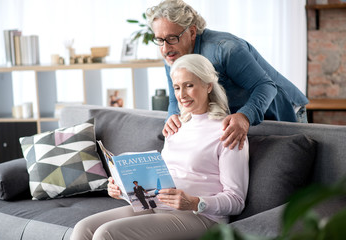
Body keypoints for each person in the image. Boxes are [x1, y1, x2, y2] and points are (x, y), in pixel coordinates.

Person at [70, 54, 249, 240]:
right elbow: (154, 187)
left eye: (189, 85)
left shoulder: (228, 131)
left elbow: (236, 201)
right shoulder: (176, 126)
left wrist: (195, 202)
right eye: (177, 87)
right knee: (84, 228)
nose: (182, 95)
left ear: (208, 85)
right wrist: (122, 191)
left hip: (202, 217)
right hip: (158, 208)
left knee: (106, 234)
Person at [146, 0, 309, 150]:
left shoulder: (226, 49)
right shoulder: (173, 55)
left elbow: (265, 86)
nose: (165, 49)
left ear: (192, 32)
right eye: (159, 40)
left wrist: (245, 116)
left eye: (172, 38)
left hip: (282, 108)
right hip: (247, 114)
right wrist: (173, 115)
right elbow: (175, 97)